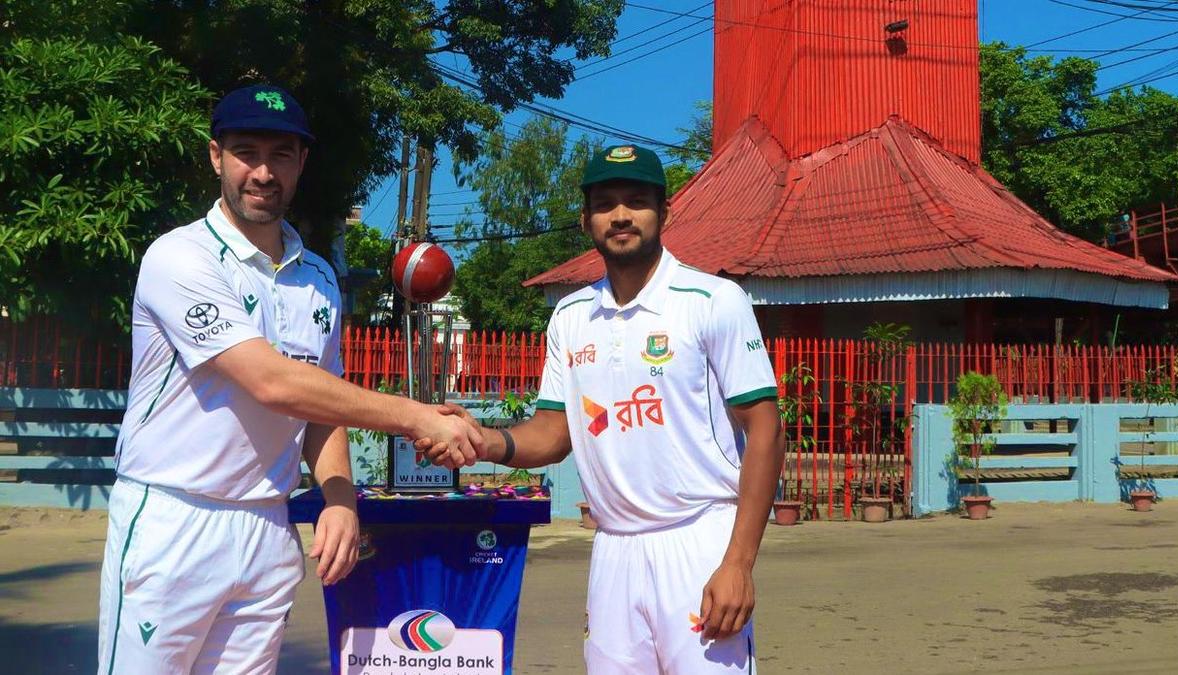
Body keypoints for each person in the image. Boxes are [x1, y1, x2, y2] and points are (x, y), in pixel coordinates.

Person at [97, 84, 482, 675]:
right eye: (246, 151)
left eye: (281, 154)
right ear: (215, 157)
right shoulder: (180, 258)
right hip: (172, 519)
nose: (262, 171)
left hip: (266, 528)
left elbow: (322, 407)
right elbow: (273, 383)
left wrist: (339, 497)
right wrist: (417, 415)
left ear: (301, 162)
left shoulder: (320, 277)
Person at [421, 144, 785, 674]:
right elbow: (552, 433)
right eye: (605, 203)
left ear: (664, 212)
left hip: (699, 540)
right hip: (614, 548)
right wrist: (483, 440)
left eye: (636, 201)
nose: (620, 215)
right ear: (585, 218)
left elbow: (766, 432)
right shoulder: (570, 316)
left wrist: (738, 563)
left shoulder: (712, 300)